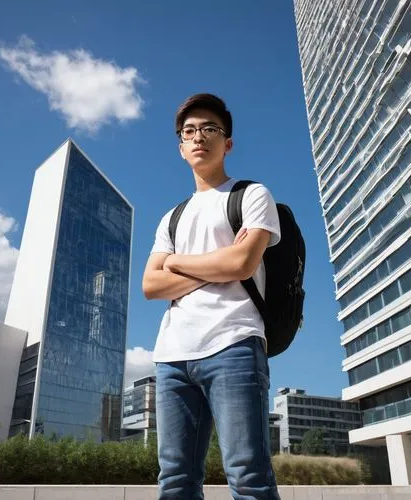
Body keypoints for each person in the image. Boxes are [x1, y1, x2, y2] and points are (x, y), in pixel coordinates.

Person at [142, 93, 282, 500]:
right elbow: (150, 286)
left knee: (248, 476)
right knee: (175, 481)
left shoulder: (251, 195)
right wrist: (216, 264)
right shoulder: (172, 216)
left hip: (234, 344)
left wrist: (177, 264)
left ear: (228, 142)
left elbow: (240, 264)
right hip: (171, 357)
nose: (198, 136)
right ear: (181, 148)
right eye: (189, 131)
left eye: (210, 129)